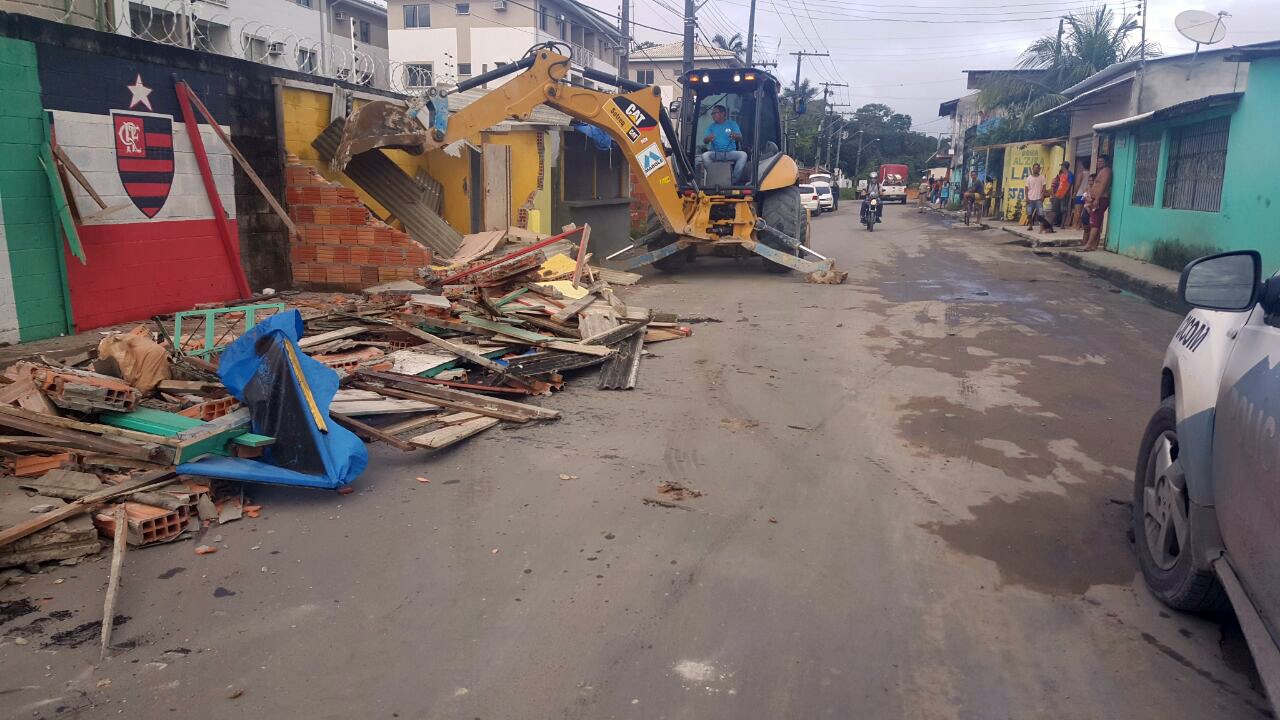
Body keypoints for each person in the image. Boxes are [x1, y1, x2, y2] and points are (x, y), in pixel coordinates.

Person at [699, 105, 747, 183]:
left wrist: (735, 135)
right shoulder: (712, 126)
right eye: (712, 114)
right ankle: (714, 176)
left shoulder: (732, 124)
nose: (713, 115)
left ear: (722, 113)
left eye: (715, 113)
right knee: (705, 156)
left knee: (743, 155)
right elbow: (705, 141)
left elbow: (740, 138)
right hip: (716, 153)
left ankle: (733, 180)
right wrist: (708, 138)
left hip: (730, 152)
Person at [1083, 155, 1112, 251]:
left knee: (1095, 223)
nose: (1099, 163)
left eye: (1101, 161)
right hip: (1095, 199)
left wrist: (1097, 199)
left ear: (1106, 162)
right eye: (1098, 161)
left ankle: (1088, 245)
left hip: (1101, 199)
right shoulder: (1101, 171)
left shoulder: (1107, 171)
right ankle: (1093, 245)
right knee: (1095, 223)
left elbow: (1103, 185)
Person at [1023, 162, 1052, 233]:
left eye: (1037, 168)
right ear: (1032, 169)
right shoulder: (1029, 178)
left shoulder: (1042, 177)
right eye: (1035, 168)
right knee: (1029, 213)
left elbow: (1044, 187)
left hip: (1039, 199)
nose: (1036, 169)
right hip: (1030, 198)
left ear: (1039, 169)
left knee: (1041, 214)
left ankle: (1041, 228)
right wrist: (1027, 197)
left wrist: (1042, 196)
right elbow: (1026, 188)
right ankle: (1030, 225)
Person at [1050, 161, 1073, 229]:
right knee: (1055, 209)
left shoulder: (1070, 174)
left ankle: (1062, 225)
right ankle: (1051, 223)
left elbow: (1069, 185)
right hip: (1058, 194)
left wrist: (1065, 193)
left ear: (1064, 166)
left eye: (1062, 166)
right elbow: (1058, 184)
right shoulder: (1061, 174)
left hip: (1064, 195)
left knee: (1063, 209)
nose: (1061, 167)